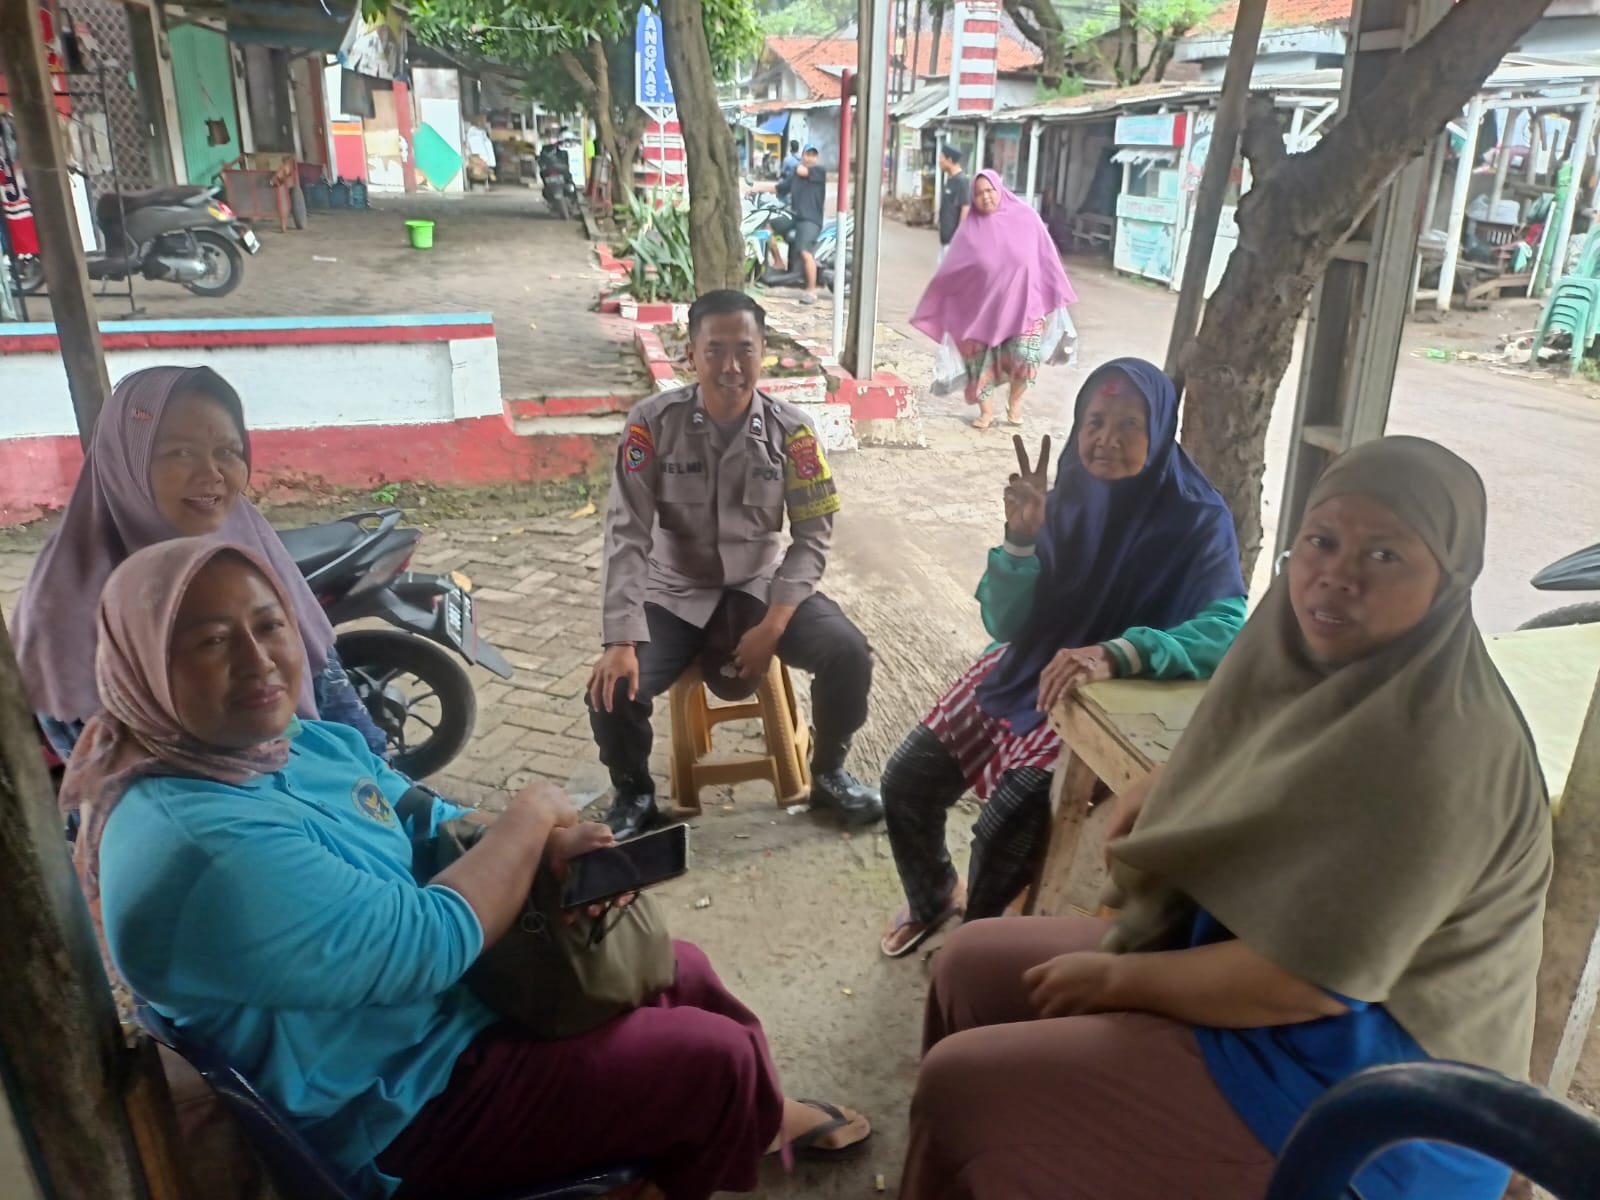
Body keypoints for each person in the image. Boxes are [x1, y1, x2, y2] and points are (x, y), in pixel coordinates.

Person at [69, 538, 873, 1200]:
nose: (259, 661)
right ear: (142, 668)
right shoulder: (203, 848)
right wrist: (532, 816)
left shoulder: (279, 746)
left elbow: (420, 813)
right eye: (212, 641)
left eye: (269, 624)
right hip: (401, 1106)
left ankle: (749, 1121)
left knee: (680, 968)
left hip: (436, 1019)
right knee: (709, 1061)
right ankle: (693, 1158)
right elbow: (433, 940)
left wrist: (544, 847)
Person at [899, 436, 1551, 1200]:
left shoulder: (1445, 750)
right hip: (1265, 979)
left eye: (1385, 555)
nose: (1338, 574)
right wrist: (1176, 787)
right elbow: (1247, 752)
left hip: (1378, 1097)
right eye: (1322, 540)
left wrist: (1122, 979)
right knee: (969, 966)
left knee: (966, 1089)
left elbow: (1311, 986)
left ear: (1451, 578)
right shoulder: (1308, 657)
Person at [878, 359, 1246, 957]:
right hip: (1027, 665)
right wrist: (1019, 540)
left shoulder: (1197, 518)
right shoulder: (1063, 494)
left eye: (1129, 425)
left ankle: (979, 945)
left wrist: (1122, 652)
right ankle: (933, 896)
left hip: (1103, 692)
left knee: (1005, 827)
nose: (1106, 440)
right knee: (906, 783)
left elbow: (1227, 627)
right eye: (1094, 422)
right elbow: (1004, 624)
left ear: (1159, 431)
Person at [588, 290, 882, 840]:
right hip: (674, 593)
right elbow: (626, 534)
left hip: (760, 587)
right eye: (715, 350)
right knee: (612, 687)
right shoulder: (653, 424)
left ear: (763, 351)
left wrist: (775, 624)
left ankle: (830, 773)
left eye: (744, 349)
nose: (730, 366)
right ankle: (635, 795)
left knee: (848, 652)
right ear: (690, 355)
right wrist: (620, 638)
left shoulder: (793, 431)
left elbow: (813, 536)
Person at [13, 365, 385, 763]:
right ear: (124, 461)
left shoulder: (251, 543)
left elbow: (342, 712)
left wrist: (374, 785)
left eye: (228, 452)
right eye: (181, 453)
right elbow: (112, 772)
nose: (212, 474)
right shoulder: (65, 611)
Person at [912, 169, 1078, 429]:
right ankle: (986, 411)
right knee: (980, 363)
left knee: (1025, 359)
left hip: (1025, 306)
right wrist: (946, 303)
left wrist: (1051, 297)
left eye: (989, 190)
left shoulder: (1026, 217)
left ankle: (1015, 402)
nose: (985, 197)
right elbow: (953, 271)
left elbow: (1047, 258)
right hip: (981, 311)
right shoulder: (969, 230)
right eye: (978, 193)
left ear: (999, 189)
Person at [787, 145, 827, 305]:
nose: (810, 158)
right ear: (802, 155)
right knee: (769, 223)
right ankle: (778, 263)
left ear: (816, 158)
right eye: (807, 155)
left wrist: (797, 164)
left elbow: (801, 171)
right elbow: (780, 188)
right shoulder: (795, 174)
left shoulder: (819, 171)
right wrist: (756, 189)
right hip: (796, 218)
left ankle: (811, 291)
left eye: (813, 155)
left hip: (811, 220)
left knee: (805, 253)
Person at [937, 145, 970, 264]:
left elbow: (965, 208)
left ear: (950, 160)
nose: (939, 161)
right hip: (945, 241)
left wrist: (959, 239)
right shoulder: (951, 180)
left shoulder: (962, 181)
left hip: (952, 243)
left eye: (941, 158)